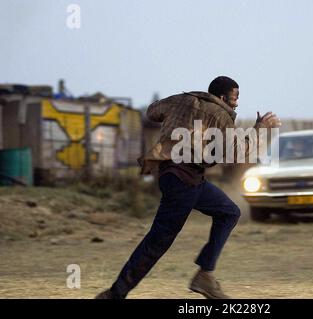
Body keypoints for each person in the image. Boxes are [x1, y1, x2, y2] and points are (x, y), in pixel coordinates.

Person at [95, 76, 281, 299]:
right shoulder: (220, 114)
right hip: (183, 179)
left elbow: (152, 112)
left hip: (179, 176)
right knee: (158, 241)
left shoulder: (181, 100)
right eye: (235, 98)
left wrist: (180, 117)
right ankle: (114, 294)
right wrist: (260, 128)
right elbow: (238, 153)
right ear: (222, 97)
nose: (237, 103)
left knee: (229, 212)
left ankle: (205, 276)